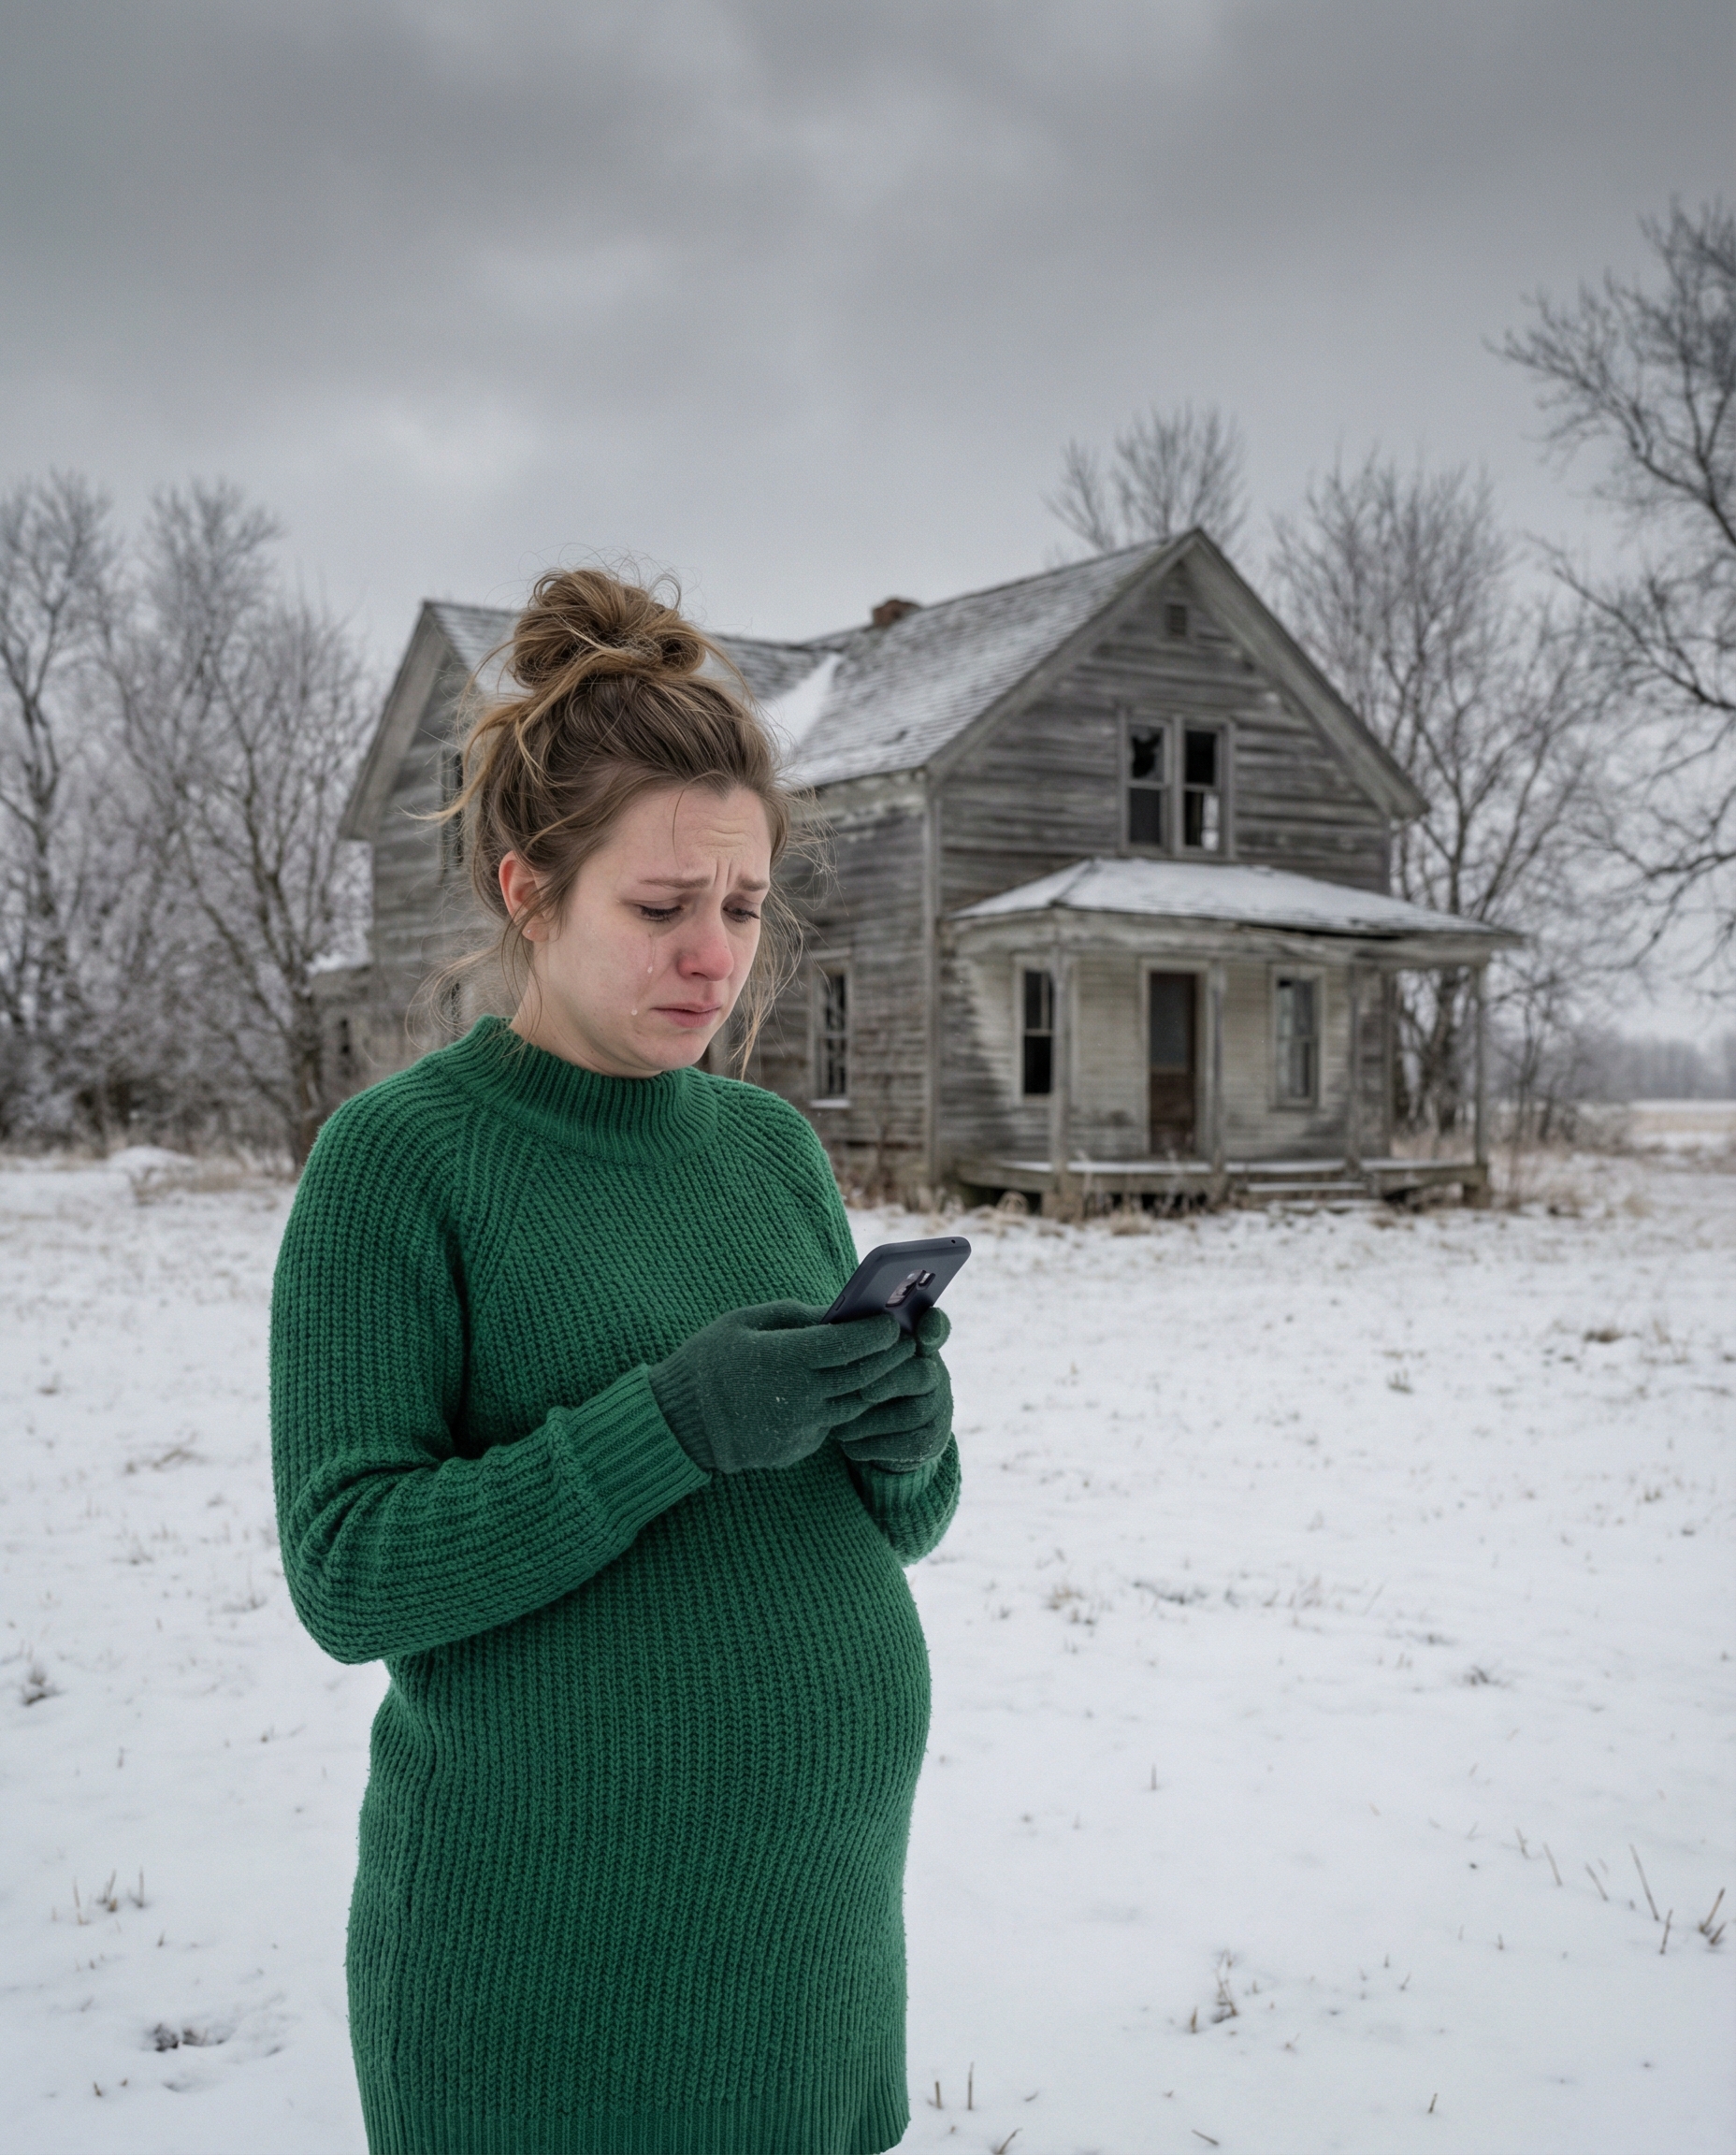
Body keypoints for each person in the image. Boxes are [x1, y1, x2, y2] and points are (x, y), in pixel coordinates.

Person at [269, 568, 960, 2155]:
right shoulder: (400, 1166)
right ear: (528, 890)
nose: (713, 957)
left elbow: (902, 1526)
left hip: (811, 1957)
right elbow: (350, 1572)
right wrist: (668, 1425)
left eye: (740, 907)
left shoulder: (773, 1150)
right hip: (552, 1994)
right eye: (659, 909)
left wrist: (904, 1435)